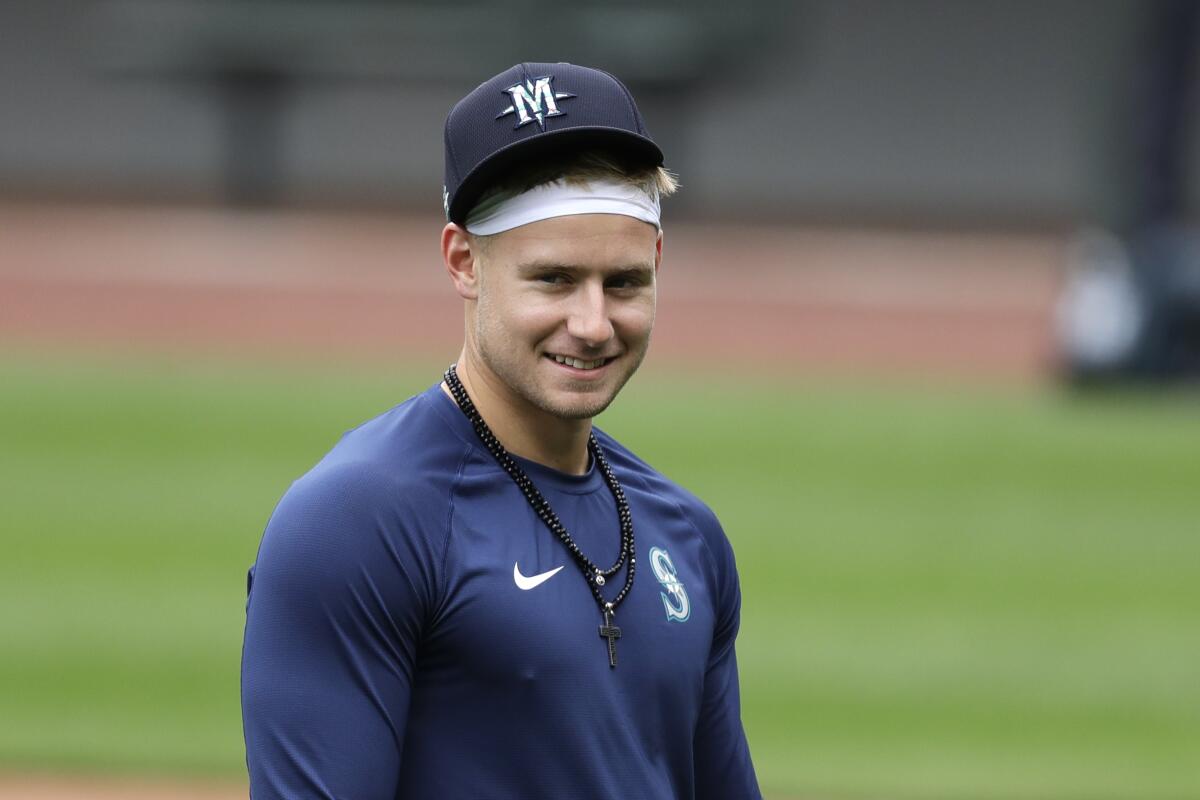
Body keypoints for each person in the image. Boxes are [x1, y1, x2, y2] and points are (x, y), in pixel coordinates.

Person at [241, 61, 762, 800]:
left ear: (658, 264)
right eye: (553, 279)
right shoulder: (355, 522)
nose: (592, 324)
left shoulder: (688, 536)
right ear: (464, 262)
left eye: (623, 283)